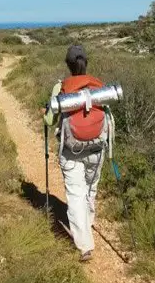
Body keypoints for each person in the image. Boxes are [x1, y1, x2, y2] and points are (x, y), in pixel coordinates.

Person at [43, 45, 111, 262]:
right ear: (86, 63)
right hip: (97, 148)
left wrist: (45, 114)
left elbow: (49, 120)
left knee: (75, 194)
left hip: (72, 151)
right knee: (91, 188)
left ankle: (84, 246)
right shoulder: (98, 86)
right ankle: (88, 221)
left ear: (68, 64)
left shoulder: (61, 87)